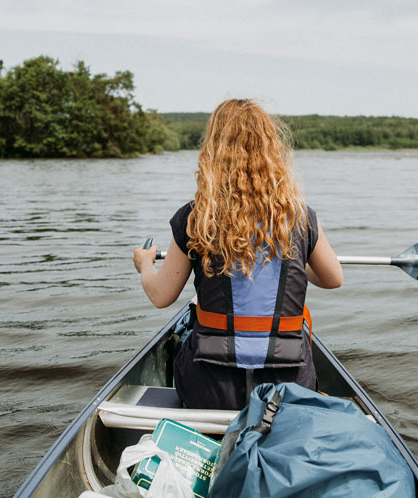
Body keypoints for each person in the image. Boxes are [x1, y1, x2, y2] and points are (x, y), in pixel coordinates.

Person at [132, 99, 343, 410]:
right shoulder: (299, 216)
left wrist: (146, 265)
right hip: (288, 389)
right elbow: (333, 278)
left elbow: (161, 296)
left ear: (213, 151)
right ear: (271, 152)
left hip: (211, 389)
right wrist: (299, 261)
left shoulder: (195, 218)